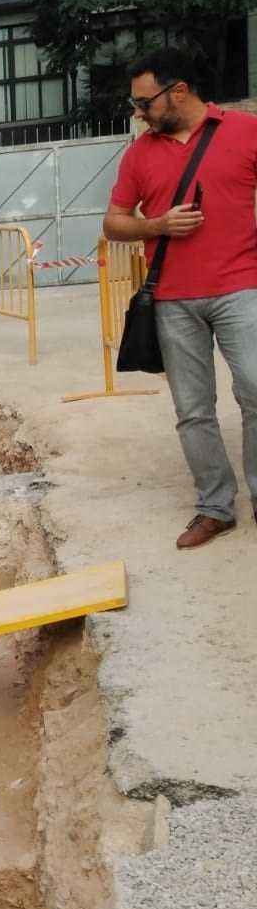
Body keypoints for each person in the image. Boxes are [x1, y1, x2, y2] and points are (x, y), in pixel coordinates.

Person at [103, 46, 257, 550]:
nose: (138, 113)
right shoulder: (139, 154)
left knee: (256, 390)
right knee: (193, 409)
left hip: (241, 287)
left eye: (144, 102)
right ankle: (215, 507)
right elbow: (114, 223)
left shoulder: (244, 131)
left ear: (179, 91)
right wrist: (157, 225)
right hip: (172, 298)